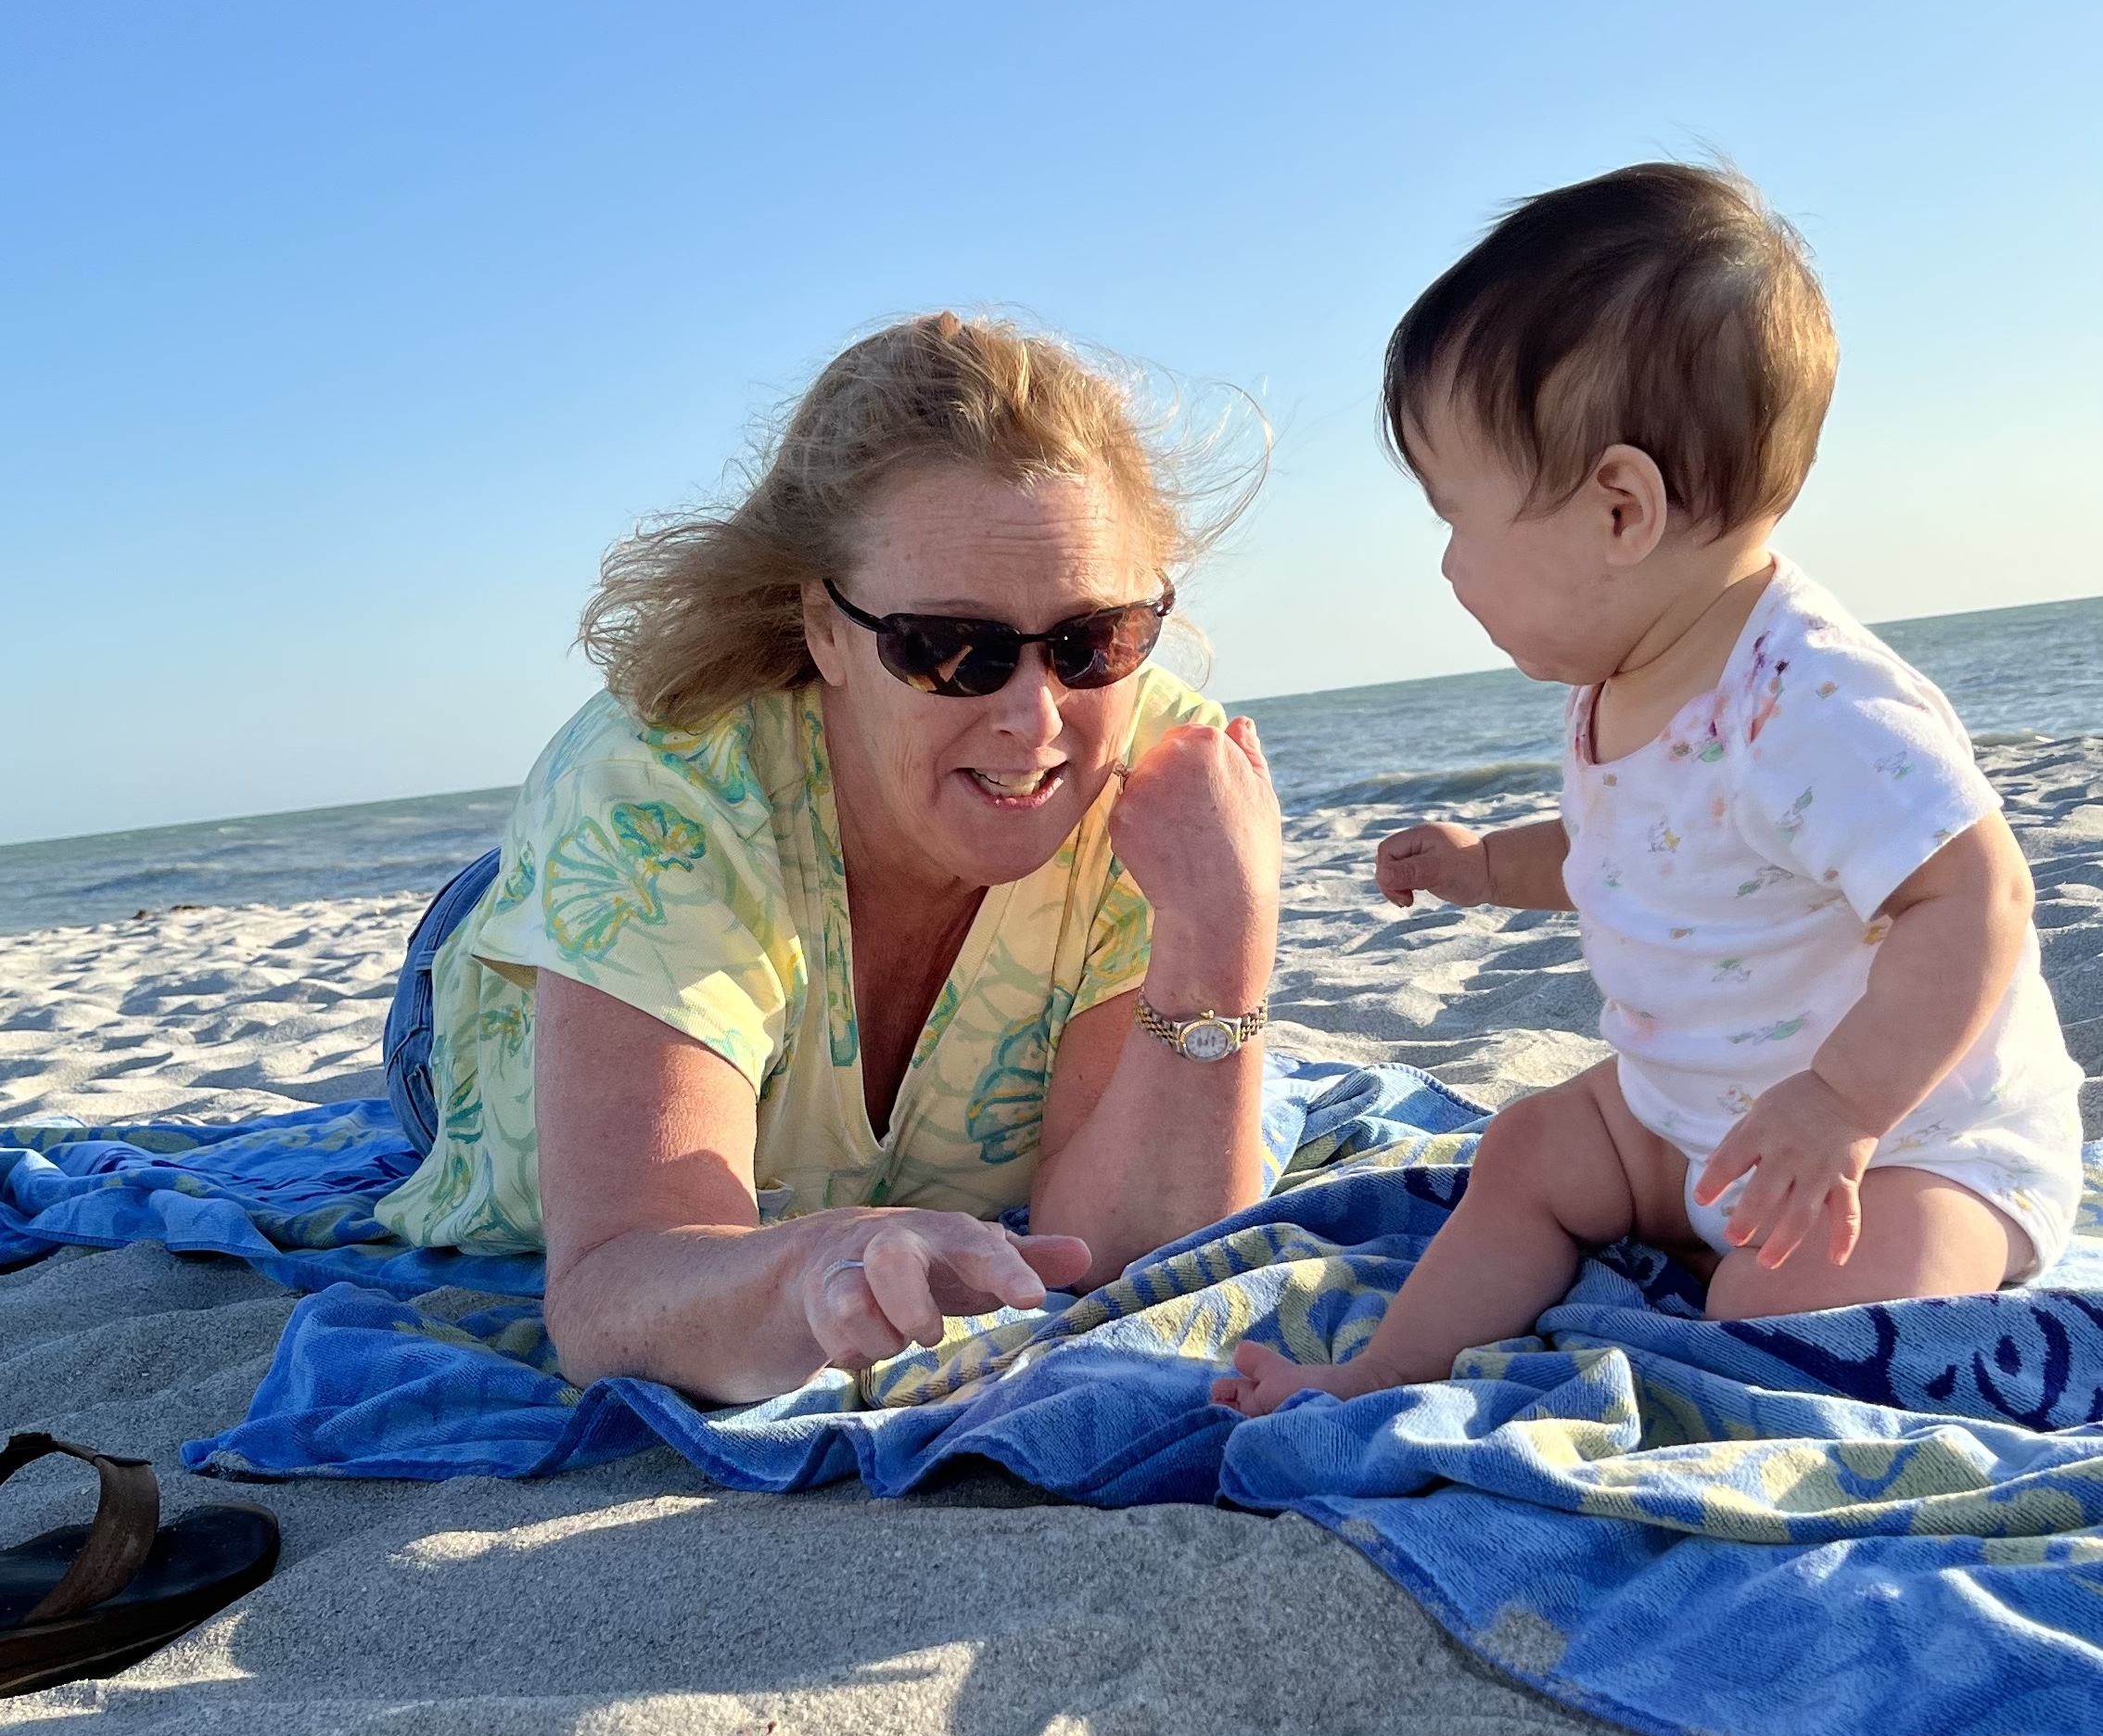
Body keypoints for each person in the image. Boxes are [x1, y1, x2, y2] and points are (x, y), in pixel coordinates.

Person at [1216, 163, 2084, 1418]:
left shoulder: (1815, 702)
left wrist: (1844, 1105)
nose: (1448, 567)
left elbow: (1977, 897)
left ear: (1620, 509)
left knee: (1777, 1306)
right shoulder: (1628, 676)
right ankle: (1380, 1375)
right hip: (1685, 1120)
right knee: (1528, 1148)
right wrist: (1481, 866)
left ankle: (1889, 1244)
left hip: (1911, 1143)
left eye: (1457, 517)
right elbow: (1625, 849)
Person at [376, 313, 1281, 1405]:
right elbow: (614, 1293)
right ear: (824, 625)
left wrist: (1222, 940)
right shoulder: (656, 793)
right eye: (952, 648)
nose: (1037, 718)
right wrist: (810, 1264)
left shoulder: (1158, 783)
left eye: (1095, 639)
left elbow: (1121, 1251)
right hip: (484, 998)